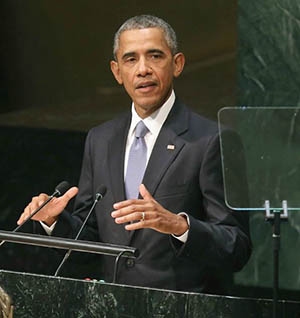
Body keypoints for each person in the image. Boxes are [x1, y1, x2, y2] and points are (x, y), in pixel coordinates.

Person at [18, 15, 251, 293]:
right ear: (117, 72)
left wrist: (179, 226)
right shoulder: (100, 139)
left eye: (155, 56)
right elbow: (89, 244)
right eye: (131, 59)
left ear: (177, 64)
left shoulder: (212, 140)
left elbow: (236, 246)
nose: (143, 69)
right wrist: (54, 222)